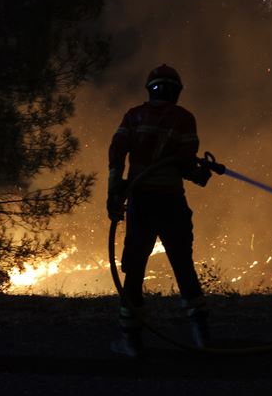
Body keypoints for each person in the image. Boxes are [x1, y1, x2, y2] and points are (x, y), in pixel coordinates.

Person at [107, 64, 213, 357]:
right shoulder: (184, 118)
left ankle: (130, 341)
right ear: (176, 91)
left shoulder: (134, 116)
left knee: (135, 270)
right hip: (171, 204)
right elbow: (185, 163)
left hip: (141, 204)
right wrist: (200, 174)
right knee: (183, 265)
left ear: (150, 89)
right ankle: (201, 336)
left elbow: (117, 150)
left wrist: (114, 188)